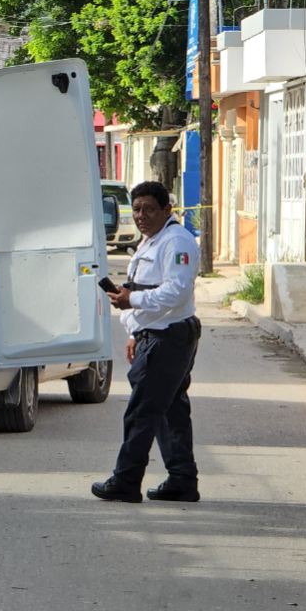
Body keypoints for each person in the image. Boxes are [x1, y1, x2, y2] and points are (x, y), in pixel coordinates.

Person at [93, 181, 203, 504]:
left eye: (149, 209)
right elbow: (141, 289)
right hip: (152, 336)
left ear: (167, 210)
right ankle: (182, 479)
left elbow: (178, 290)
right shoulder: (149, 241)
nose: (141, 216)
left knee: (142, 412)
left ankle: (126, 481)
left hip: (169, 339)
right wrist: (133, 332)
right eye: (137, 209)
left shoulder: (177, 241)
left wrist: (133, 299)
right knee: (170, 412)